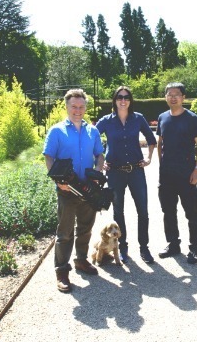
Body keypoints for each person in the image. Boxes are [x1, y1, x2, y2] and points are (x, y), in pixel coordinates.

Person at [43, 89, 105, 293]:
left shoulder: (92, 131)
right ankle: (62, 271)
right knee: (65, 232)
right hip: (67, 189)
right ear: (67, 107)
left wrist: (97, 172)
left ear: (85, 107)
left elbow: (100, 155)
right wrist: (57, 180)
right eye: (74, 107)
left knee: (86, 228)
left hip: (88, 189)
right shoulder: (56, 131)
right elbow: (49, 156)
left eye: (81, 106)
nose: (77, 110)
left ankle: (81, 260)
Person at [96, 86, 157, 264]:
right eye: (119, 97)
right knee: (118, 212)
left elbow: (151, 139)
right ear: (114, 100)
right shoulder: (106, 121)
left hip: (136, 171)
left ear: (130, 100)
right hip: (115, 172)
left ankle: (144, 247)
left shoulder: (138, 118)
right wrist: (99, 160)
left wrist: (149, 158)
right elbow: (91, 138)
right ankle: (122, 247)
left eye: (126, 97)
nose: (123, 100)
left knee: (143, 211)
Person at [156, 82, 197, 264]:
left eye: (177, 94)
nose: (173, 97)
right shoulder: (162, 117)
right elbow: (160, 143)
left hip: (186, 174)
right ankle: (173, 244)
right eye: (169, 94)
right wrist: (162, 165)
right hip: (167, 175)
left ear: (183, 97)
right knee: (168, 211)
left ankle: (195, 247)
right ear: (165, 97)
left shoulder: (192, 118)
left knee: (192, 212)